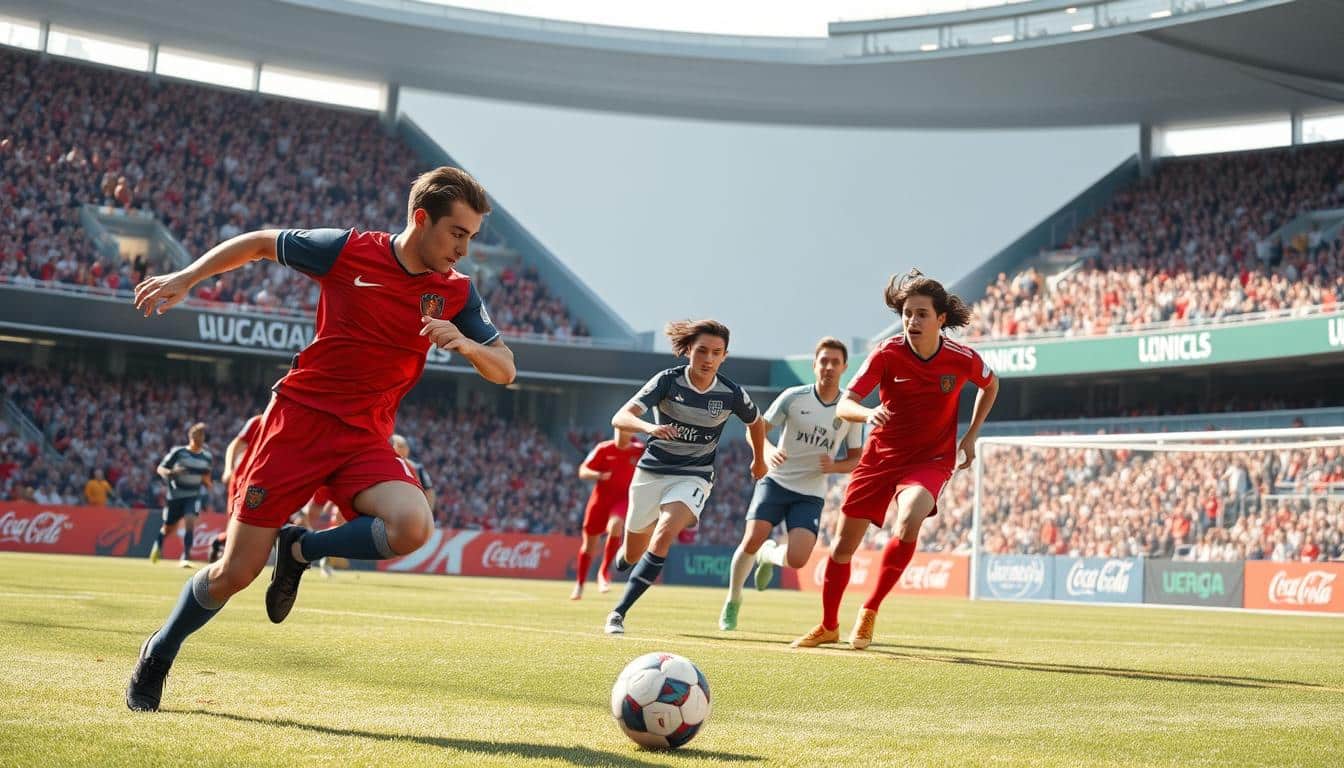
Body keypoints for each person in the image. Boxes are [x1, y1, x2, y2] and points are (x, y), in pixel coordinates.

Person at [126, 166, 515, 712]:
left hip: (366, 439)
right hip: (297, 428)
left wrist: (468, 346)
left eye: (472, 237)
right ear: (422, 219)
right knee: (234, 573)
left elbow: (506, 369)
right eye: (458, 233)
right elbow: (262, 242)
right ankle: (159, 652)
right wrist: (187, 277)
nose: (465, 249)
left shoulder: (455, 294)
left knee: (413, 525)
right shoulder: (349, 251)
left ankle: (303, 547)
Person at [792, 270, 998, 650]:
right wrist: (868, 414)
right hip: (879, 459)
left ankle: (869, 610)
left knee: (910, 518)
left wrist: (971, 435)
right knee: (842, 548)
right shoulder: (887, 353)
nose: (912, 321)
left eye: (921, 314)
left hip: (930, 460)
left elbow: (991, 383)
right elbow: (845, 402)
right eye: (907, 314)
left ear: (940, 319)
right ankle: (828, 625)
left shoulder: (961, 358)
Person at [603, 319, 768, 635]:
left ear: (724, 357)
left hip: (694, 475)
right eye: (702, 350)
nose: (708, 358)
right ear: (688, 351)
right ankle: (626, 555)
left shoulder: (731, 393)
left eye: (716, 353)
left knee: (665, 532)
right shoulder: (667, 381)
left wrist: (759, 460)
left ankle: (618, 613)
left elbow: (757, 422)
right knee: (633, 551)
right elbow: (620, 417)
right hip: (651, 472)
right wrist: (650, 428)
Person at [719, 337, 863, 630]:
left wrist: (835, 466)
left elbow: (856, 458)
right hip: (776, 480)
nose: (829, 367)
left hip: (810, 492)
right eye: (824, 361)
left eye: (835, 362)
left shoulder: (850, 410)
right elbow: (756, 430)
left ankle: (769, 555)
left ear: (844, 367)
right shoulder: (793, 397)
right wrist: (768, 451)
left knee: (797, 559)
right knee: (752, 537)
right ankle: (733, 601)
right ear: (814, 365)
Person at [572, 428, 644, 600]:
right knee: (589, 545)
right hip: (600, 501)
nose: (622, 434)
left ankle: (604, 572)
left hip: (622, 500)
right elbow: (582, 470)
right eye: (619, 430)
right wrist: (597, 474)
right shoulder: (603, 448)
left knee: (616, 525)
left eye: (627, 430)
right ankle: (580, 584)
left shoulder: (639, 449)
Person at [149, 423, 213, 568]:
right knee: (168, 528)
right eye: (198, 434)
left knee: (190, 521)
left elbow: (206, 476)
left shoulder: (207, 457)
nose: (200, 438)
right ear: (191, 436)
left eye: (202, 435)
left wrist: (208, 483)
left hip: (193, 496)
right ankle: (157, 544)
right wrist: (171, 473)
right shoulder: (179, 452)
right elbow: (161, 468)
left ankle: (185, 556)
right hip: (176, 496)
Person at [211, 413, 263, 564]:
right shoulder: (258, 421)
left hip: (265, 482)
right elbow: (235, 444)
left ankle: (224, 545)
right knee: (239, 522)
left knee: (254, 525)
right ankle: (222, 546)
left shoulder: (290, 425)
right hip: (243, 480)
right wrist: (228, 469)